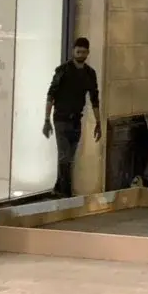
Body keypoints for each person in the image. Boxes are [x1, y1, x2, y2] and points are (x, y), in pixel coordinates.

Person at [43, 37, 102, 197]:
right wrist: (47, 119)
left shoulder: (90, 74)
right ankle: (66, 191)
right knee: (65, 156)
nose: (81, 54)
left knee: (69, 157)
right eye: (78, 51)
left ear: (88, 53)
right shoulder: (63, 70)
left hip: (76, 119)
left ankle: (59, 188)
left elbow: (94, 98)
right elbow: (51, 95)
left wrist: (98, 122)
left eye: (83, 52)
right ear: (73, 51)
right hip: (61, 118)